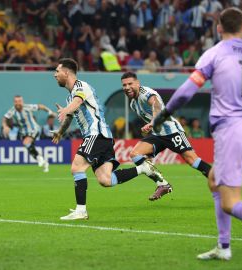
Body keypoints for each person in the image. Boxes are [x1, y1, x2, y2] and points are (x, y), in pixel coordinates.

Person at [152, 7, 242, 265]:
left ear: (218, 28)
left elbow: (187, 93)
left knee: (231, 202)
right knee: (213, 180)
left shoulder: (214, 54)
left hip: (231, 131)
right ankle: (223, 246)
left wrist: (164, 115)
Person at [52, 58, 161, 221]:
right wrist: (60, 132)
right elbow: (69, 115)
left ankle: (81, 210)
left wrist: (67, 109)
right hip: (104, 138)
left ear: (66, 73)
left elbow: (78, 100)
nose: (55, 75)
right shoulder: (70, 98)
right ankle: (143, 169)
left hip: (96, 134)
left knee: (77, 167)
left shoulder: (81, 86)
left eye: (57, 71)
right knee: (105, 180)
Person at [121, 72, 212, 201]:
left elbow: (156, 105)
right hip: (157, 135)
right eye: (124, 85)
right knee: (135, 154)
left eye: (130, 83)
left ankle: (219, 180)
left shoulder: (145, 92)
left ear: (137, 83)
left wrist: (153, 122)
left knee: (192, 160)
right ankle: (162, 184)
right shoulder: (133, 104)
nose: (127, 87)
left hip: (172, 131)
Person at [2, 95, 56, 172]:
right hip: (24, 132)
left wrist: (50, 111)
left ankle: (39, 158)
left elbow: (41, 106)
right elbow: (5, 118)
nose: (18, 103)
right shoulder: (12, 110)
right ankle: (44, 162)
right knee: (29, 147)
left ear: (22, 102)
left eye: (19, 101)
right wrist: (5, 126)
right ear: (14, 102)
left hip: (34, 129)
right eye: (16, 101)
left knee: (26, 142)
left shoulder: (27, 107)